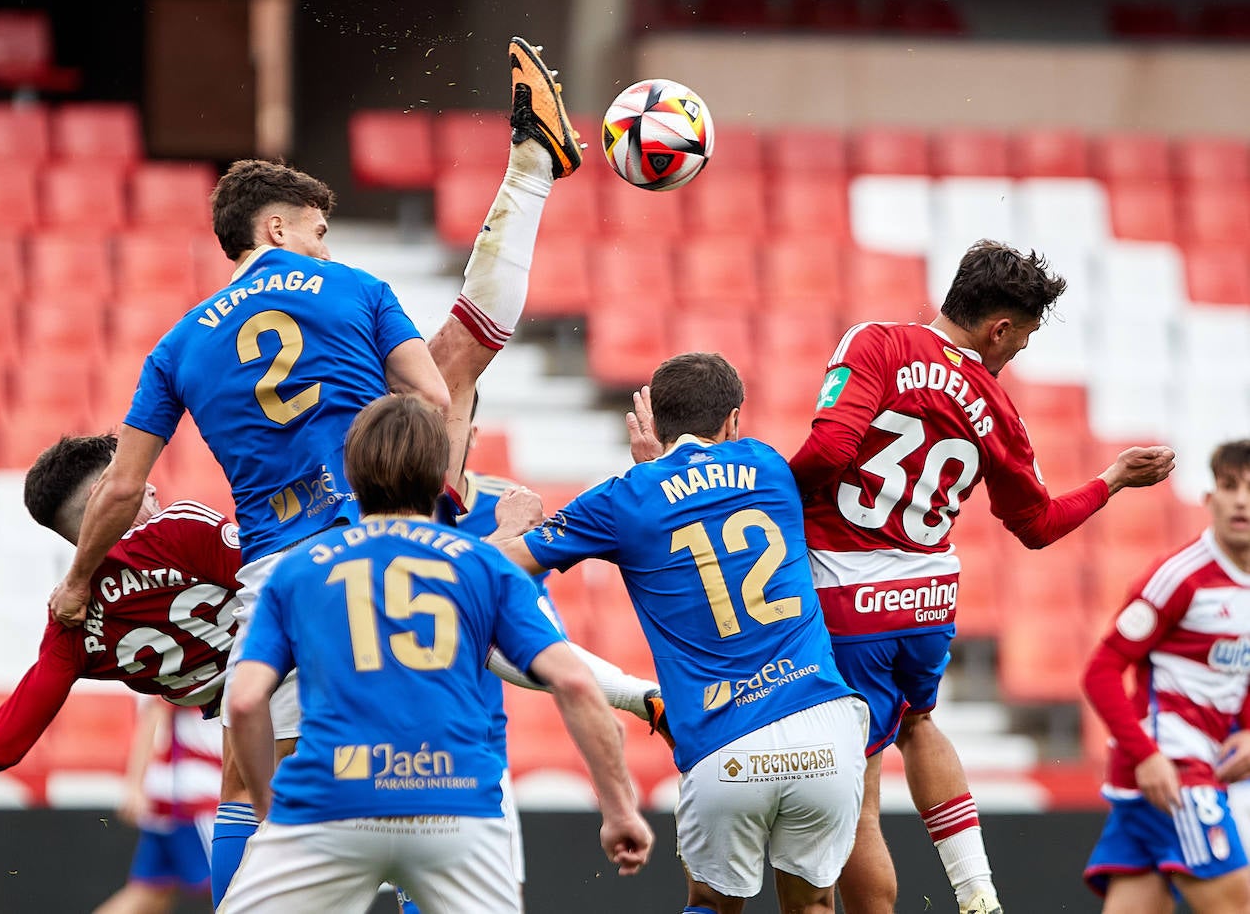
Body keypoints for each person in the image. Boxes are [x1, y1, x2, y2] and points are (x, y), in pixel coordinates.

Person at [46, 37, 586, 902]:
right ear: (277, 228)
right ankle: (529, 173)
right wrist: (449, 492)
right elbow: (426, 389)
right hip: (397, 530)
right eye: (318, 231)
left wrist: (77, 582)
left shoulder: (181, 340)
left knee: (249, 781)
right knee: (456, 363)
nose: (326, 246)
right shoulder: (354, 292)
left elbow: (118, 489)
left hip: (288, 566)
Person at [786, 239, 1178, 914]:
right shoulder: (998, 410)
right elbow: (1039, 527)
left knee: (863, 799)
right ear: (998, 328)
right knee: (919, 721)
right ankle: (977, 892)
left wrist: (776, 502)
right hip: (929, 601)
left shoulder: (877, 344)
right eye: (1021, 341)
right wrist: (1112, 479)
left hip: (849, 599)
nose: (1016, 352)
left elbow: (828, 449)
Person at [221, 394, 652, 913]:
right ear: (439, 477)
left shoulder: (298, 569)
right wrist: (619, 808)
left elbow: (244, 703)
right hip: (455, 805)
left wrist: (271, 811)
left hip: (330, 803)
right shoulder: (483, 566)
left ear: (351, 477)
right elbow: (575, 682)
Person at [495, 352, 869, 914]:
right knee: (813, 904)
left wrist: (509, 526)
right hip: (823, 729)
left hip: (726, 746)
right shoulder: (768, 465)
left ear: (651, 421)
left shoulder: (623, 499)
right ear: (734, 420)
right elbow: (711, 492)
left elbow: (478, 569)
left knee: (711, 905)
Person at [394, 396, 664, 914]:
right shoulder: (501, 525)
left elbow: (538, 651)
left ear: (471, 434)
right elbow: (552, 668)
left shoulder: (499, 506)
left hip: (458, 756)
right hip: (435, 769)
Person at [0, 434, 242, 781]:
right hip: (288, 676)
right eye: (130, 477)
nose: (149, 486)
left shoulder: (71, 624)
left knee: (243, 802)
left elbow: (1, 747)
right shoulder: (181, 530)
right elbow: (281, 580)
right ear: (106, 495)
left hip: (242, 709)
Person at [1082, 439, 1250, 912]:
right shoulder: (1181, 577)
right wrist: (1148, 756)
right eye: (1230, 486)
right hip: (1173, 770)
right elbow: (1101, 671)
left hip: (1190, 769)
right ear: (1209, 500)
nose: (1241, 500)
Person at [94, 701, 223, 914]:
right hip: (198, 800)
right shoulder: (210, 668)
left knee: (150, 894)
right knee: (234, 890)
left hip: (175, 799)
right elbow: (155, 708)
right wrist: (135, 784)